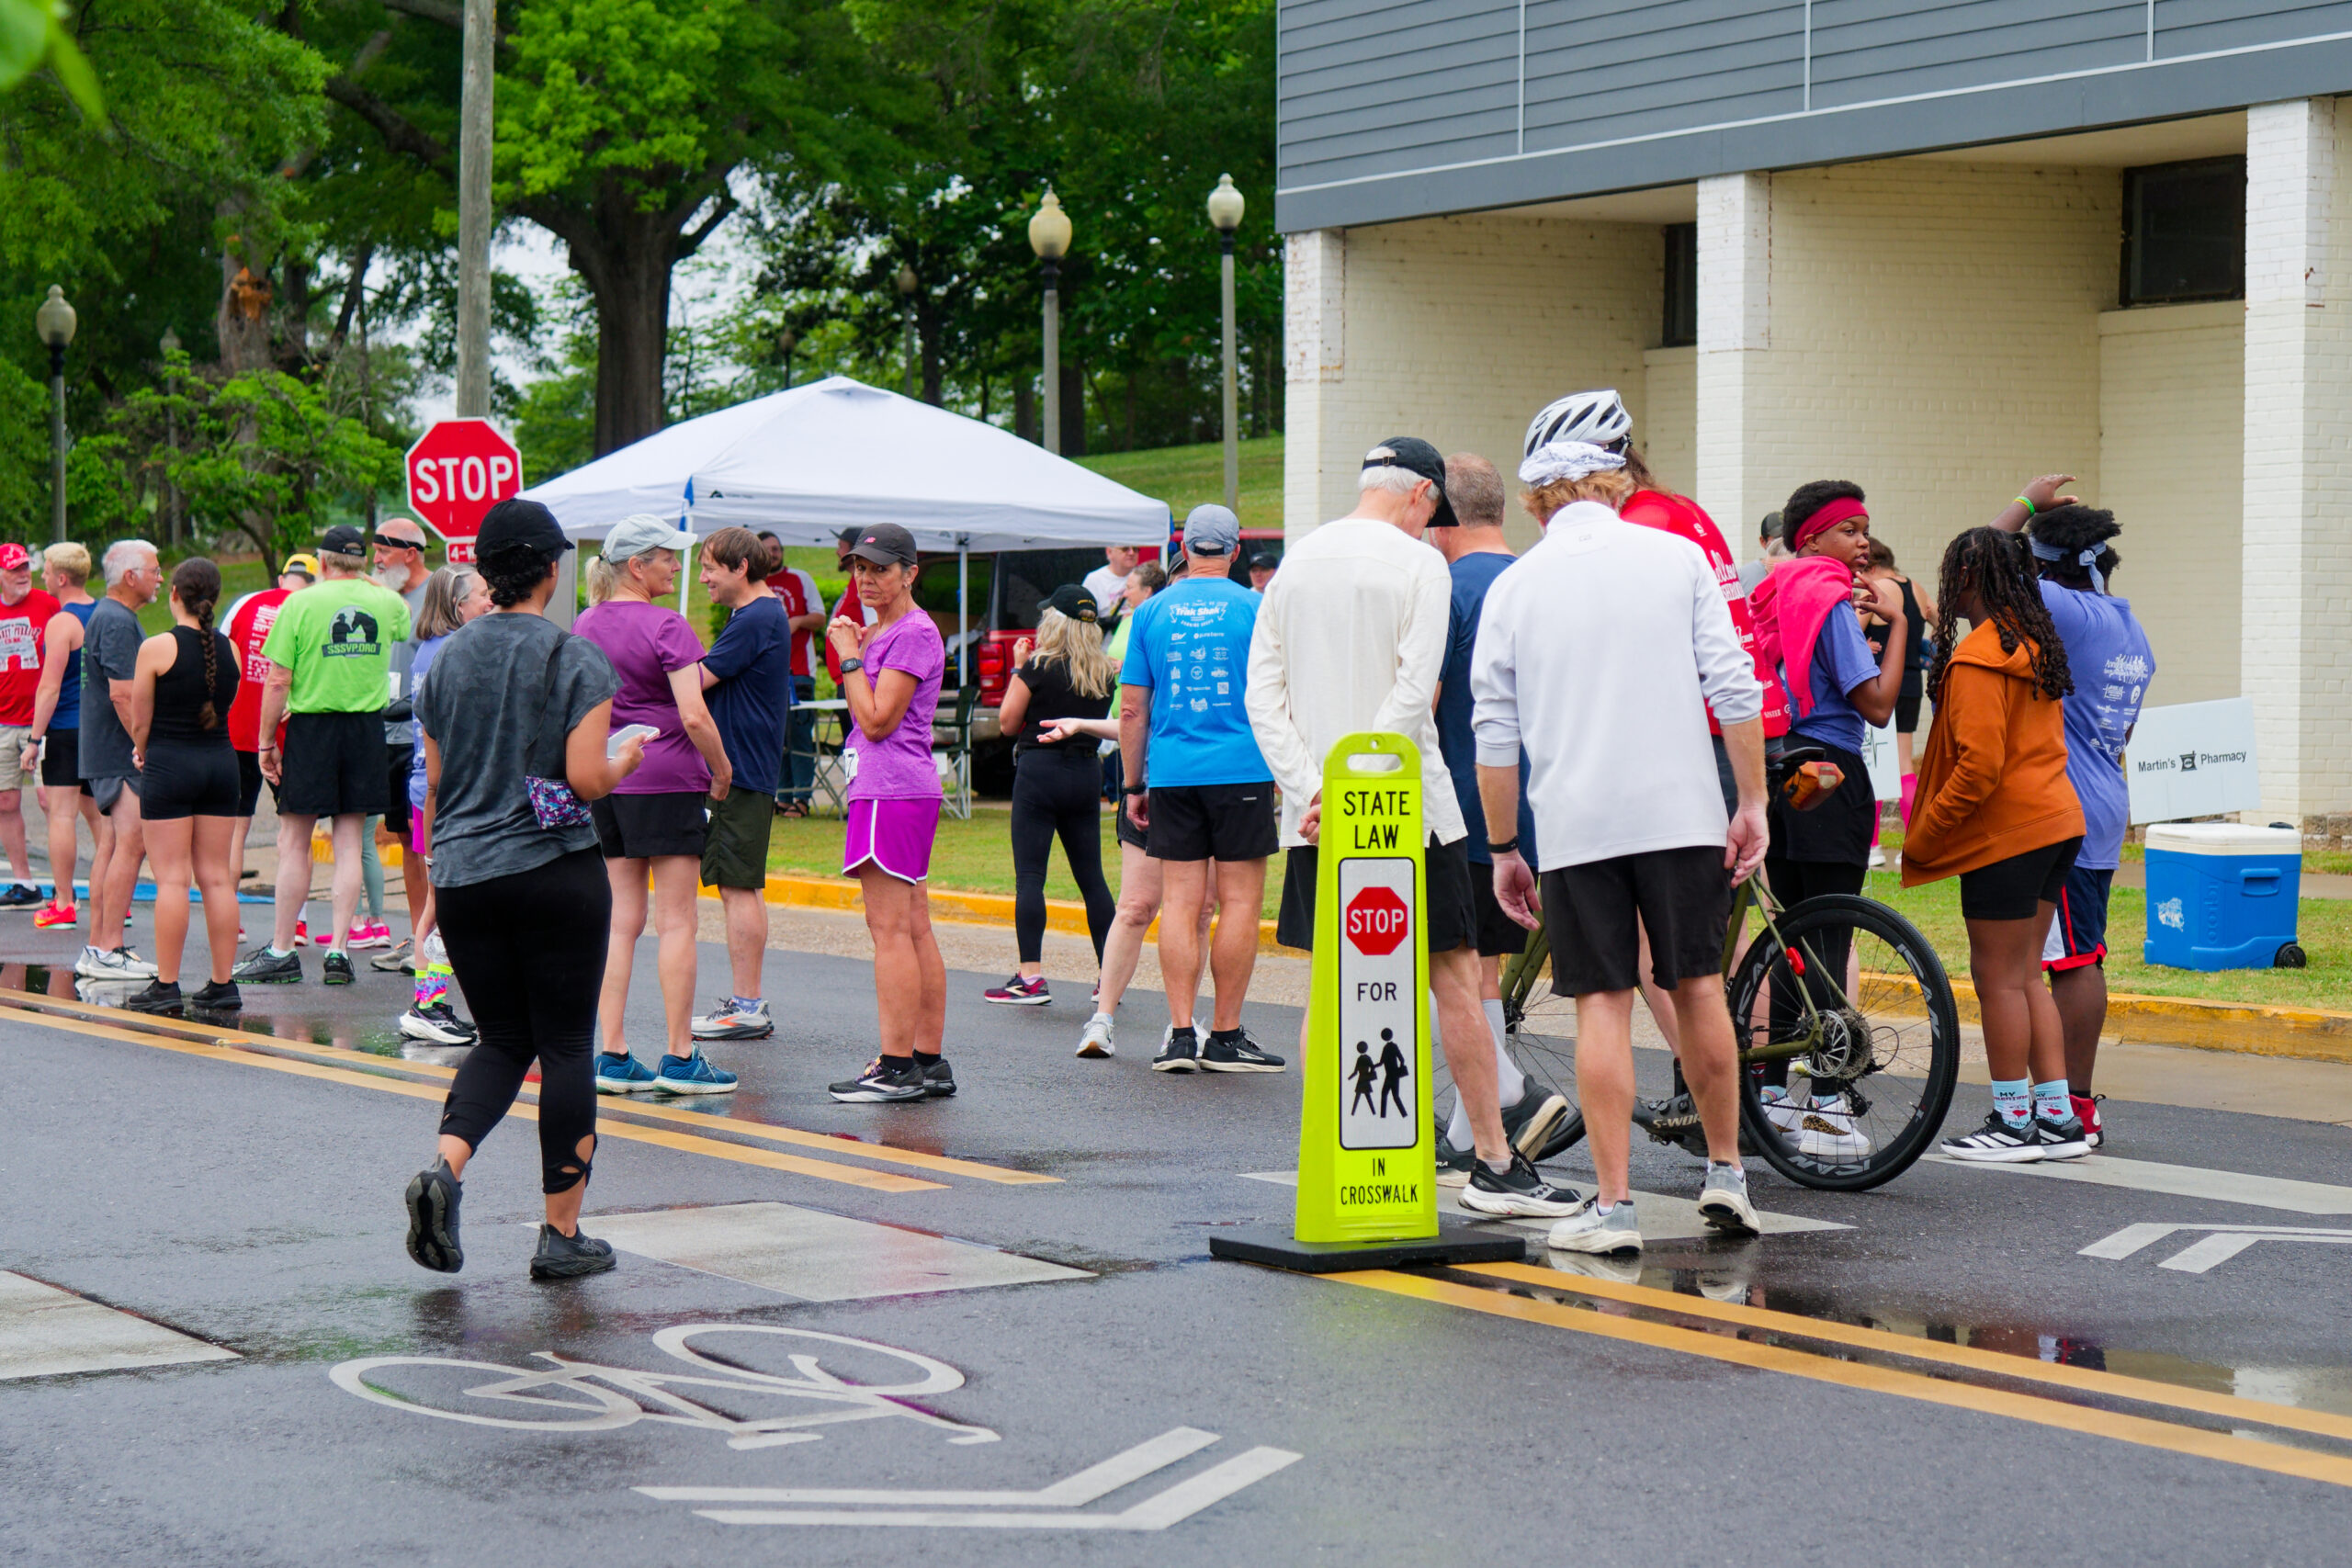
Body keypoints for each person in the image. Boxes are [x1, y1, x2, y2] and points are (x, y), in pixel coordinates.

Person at [1249, 438, 1565, 1216]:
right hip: (1408, 810)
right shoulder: (1420, 563)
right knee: (1454, 975)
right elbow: (1414, 690)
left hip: (1319, 819)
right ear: (1422, 495)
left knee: (1330, 984)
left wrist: (1312, 788)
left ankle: (1327, 1151)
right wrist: (1368, 779)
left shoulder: (1297, 562)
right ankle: (1494, 1161)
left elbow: (1264, 694)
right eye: (1434, 511)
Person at [1473, 437, 1770, 1257]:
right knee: (1700, 986)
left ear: (1535, 502)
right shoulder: (1678, 557)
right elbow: (1735, 683)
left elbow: (1493, 734)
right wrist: (1750, 801)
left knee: (1601, 1002)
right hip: (1680, 811)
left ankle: (1614, 1205)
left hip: (1576, 822)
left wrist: (1504, 847)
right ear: (1616, 482)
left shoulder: (1517, 585)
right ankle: (1728, 1171)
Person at [402, 496, 641, 1282]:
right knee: (567, 1044)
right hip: (553, 869)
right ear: (549, 567)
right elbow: (584, 776)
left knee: (502, 1037)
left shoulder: (445, 660)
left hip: (465, 870)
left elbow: (435, 781)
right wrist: (626, 759)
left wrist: (437, 873)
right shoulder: (574, 657)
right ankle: (560, 1232)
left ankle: (444, 1169)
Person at [1905, 526, 2089, 1164]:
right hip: (2057, 821)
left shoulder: (1980, 656)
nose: (1946, 583)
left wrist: (1926, 834)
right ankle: (2058, 1116)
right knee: (2025, 973)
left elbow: (1978, 769)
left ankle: (2013, 1123)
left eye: (1954, 570)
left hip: (2009, 833)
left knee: (1997, 978)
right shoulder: (2032, 641)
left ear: (1972, 579)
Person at [1992, 475, 2153, 1151]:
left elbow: (1980, 559)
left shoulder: (2058, 606)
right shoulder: (2127, 623)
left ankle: (2070, 1105)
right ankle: (2070, 1100)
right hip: (2105, 800)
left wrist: (2025, 503)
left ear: (2044, 566)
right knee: (2076, 953)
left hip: (2065, 808)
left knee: (2069, 960)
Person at [1748, 480, 1907, 1154]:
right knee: (1832, 940)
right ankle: (1831, 1102)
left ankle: (1776, 1093)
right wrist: (1898, 625)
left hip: (1779, 774)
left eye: (1866, 529)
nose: (1862, 541)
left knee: (1791, 937)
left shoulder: (1774, 591)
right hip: (1833, 774)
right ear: (1813, 537)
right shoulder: (1832, 598)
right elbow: (1875, 704)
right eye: (1849, 530)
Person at [1428, 453, 1572, 1184]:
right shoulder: (1543, 580)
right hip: (1547, 804)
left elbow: (1427, 699)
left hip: (1466, 804)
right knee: (1479, 970)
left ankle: (1508, 1096)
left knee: (1459, 972)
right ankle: (1469, 1128)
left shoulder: (1443, 588)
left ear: (1438, 517)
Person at [574, 514, 738, 1094]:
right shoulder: (667, 625)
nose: (677, 565)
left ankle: (613, 1054)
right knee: (676, 923)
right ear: (637, 565)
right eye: (668, 556)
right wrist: (721, 769)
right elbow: (693, 713)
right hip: (667, 779)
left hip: (610, 780)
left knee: (621, 923)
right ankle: (679, 1056)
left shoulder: (585, 622)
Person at [1122, 504, 1284, 1074]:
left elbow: (1133, 708)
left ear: (1183, 550)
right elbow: (1279, 696)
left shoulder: (1151, 612)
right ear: (1235, 550)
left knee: (1182, 902)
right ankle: (1227, 1034)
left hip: (1173, 772)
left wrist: (1132, 783)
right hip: (1243, 769)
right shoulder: (1258, 608)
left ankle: (1180, 1034)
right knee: (1239, 901)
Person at [235, 525, 412, 987]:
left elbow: (277, 681)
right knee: (351, 841)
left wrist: (266, 741)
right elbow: (399, 619)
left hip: (313, 726)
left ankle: (281, 949)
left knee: (294, 840)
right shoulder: (387, 602)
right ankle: (338, 949)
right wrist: (365, 582)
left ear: (323, 562)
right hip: (365, 727)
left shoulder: (299, 603)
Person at [824, 523, 953, 1103]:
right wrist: (859, 647)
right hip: (894, 788)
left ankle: (898, 1065)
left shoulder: (913, 633)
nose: (867, 579)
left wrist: (850, 660)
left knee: (890, 930)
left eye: (879, 568)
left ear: (910, 573)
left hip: (890, 789)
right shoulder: (886, 630)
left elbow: (877, 720)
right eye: (859, 568)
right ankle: (927, 1060)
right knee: (913, 925)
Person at [984, 583, 1117, 1006]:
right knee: (1091, 877)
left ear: (1054, 622)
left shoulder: (1039, 666)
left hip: (1039, 770)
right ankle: (1109, 975)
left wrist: (1019, 668)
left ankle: (1031, 977)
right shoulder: (1105, 670)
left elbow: (1007, 723)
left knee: (1031, 877)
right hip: (1083, 772)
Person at [119, 558, 241, 1015]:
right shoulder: (230, 650)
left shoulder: (157, 647)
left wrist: (141, 748)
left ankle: (167, 985)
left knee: (172, 877)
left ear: (174, 593)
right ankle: (223, 984)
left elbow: (140, 719)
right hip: (220, 764)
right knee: (216, 876)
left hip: (171, 763)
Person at [688, 527, 794, 1043]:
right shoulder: (756, 615)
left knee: (738, 885)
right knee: (737, 884)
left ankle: (747, 1004)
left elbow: (698, 679)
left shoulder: (756, 617)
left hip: (741, 769)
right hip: (747, 765)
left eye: (710, 567)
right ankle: (745, 1000)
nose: (704, 577)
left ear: (740, 569)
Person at [396, 566, 491, 1045]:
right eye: (481, 596)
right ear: (458, 607)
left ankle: (431, 1002)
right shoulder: (453, 652)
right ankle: (427, 1005)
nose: (489, 602)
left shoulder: (429, 652)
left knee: (440, 905)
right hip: (443, 796)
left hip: (430, 793)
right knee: (439, 908)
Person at [74, 539, 163, 982]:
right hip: (118, 752)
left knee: (111, 846)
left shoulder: (110, 617)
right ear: (131, 577)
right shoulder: (117, 621)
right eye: (154, 569)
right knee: (131, 843)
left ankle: (98, 947)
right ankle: (108, 947)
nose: (160, 577)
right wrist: (145, 746)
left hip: (105, 750)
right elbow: (123, 693)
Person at [223, 558, 312, 952]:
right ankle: (297, 924)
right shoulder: (311, 607)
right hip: (289, 731)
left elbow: (224, 657)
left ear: (280, 579)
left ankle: (230, 920)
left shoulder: (245, 603)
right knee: (293, 834)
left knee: (234, 829)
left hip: (239, 727)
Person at [367, 517, 435, 953]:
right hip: (384, 731)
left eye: (383, 552)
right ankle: (418, 937)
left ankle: (440, 939)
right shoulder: (377, 597)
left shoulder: (440, 594)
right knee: (407, 841)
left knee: (427, 838)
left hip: (422, 734)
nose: (375, 560)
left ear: (410, 553)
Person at [27, 543, 101, 931]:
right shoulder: (106, 613)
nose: (41, 577)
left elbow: (49, 687)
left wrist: (34, 739)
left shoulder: (62, 622)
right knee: (99, 812)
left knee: (61, 815)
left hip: (67, 729)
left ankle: (64, 902)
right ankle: (111, 896)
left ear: (60, 578)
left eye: (46, 570)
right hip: (101, 728)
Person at [0, 542, 61, 907]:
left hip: (44, 719)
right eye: (14, 570)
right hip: (4, 718)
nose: (24, 575)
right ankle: (25, 884)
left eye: (26, 567)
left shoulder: (47, 604)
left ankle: (63, 886)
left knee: (50, 800)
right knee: (6, 801)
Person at [1862, 536, 1936, 824]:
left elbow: (1853, 630)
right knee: (1904, 763)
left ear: (1872, 566)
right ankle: (1913, 839)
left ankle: (1872, 847)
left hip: (1880, 684)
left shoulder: (1879, 589)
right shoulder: (1915, 587)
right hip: (1910, 684)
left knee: (1873, 763)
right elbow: (1939, 620)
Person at [756, 530, 827, 815]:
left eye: (776, 548)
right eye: (767, 549)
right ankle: (782, 796)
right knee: (775, 737)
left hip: (798, 672)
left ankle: (802, 799)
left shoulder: (800, 578)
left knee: (798, 736)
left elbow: (820, 617)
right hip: (764, 675)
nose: (773, 553)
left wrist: (797, 621)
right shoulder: (754, 584)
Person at [822, 525, 877, 682]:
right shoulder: (855, 582)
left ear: (853, 551)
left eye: (841, 546)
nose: (837, 552)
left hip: (854, 676)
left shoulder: (865, 583)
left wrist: (857, 667)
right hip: (847, 676)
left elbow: (875, 626)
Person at [1081, 543, 1141, 618]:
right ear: (1109, 552)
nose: (1131, 553)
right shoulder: (1094, 580)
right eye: (1125, 549)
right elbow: (1086, 618)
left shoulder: (1144, 577)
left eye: (1135, 549)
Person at [1739, 511, 1786, 592]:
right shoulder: (1743, 576)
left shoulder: (1801, 571)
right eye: (1778, 538)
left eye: (1787, 536)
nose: (1782, 542)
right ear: (1763, 541)